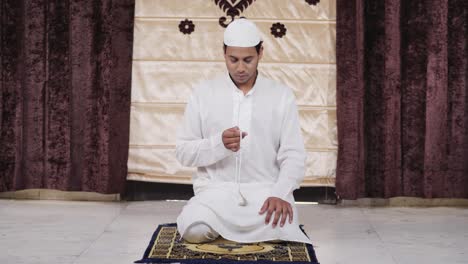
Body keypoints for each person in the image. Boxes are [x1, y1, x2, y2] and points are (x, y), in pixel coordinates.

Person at [175, 18, 311, 244]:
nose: (240, 68)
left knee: (283, 229)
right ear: (224, 54)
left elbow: (294, 154)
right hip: (216, 193)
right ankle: (217, 222)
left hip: (265, 193)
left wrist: (280, 193)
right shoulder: (203, 93)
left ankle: (241, 228)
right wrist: (218, 144)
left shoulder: (281, 95)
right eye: (233, 59)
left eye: (248, 60)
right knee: (195, 231)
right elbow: (183, 152)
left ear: (261, 53)